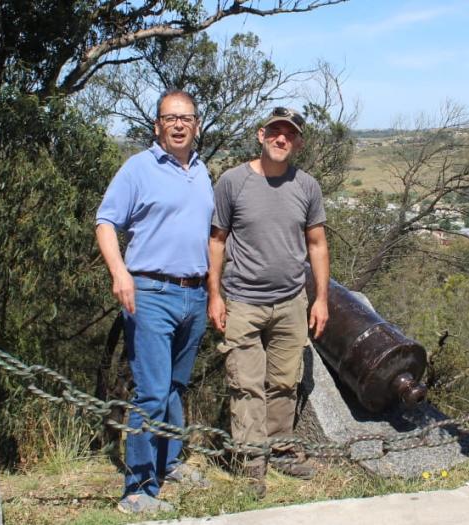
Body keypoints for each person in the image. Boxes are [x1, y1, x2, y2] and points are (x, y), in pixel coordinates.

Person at [95, 89, 213, 515]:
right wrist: (119, 273)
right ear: (158, 125)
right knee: (151, 392)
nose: (179, 124)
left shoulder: (201, 171)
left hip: (195, 293)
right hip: (151, 292)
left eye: (186, 117)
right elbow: (106, 221)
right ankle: (138, 490)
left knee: (175, 387)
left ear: (197, 124)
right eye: (170, 118)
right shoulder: (138, 168)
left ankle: (170, 462)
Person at [207, 107, 330, 498]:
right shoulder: (232, 182)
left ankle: (278, 449)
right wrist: (215, 294)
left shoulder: (306, 186)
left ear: (298, 142)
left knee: (283, 382)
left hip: (291, 299)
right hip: (243, 300)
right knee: (245, 385)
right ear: (261, 135)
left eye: (289, 135)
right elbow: (217, 240)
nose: (281, 139)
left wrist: (321, 298)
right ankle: (250, 463)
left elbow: (317, 244)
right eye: (275, 132)